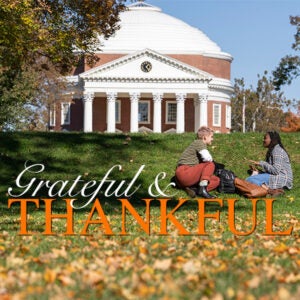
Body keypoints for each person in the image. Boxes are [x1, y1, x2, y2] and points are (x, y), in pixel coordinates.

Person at [175, 126, 220, 198]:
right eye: (211, 137)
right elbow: (208, 158)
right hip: (184, 172)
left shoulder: (197, 144)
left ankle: (195, 190)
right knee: (210, 164)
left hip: (186, 176)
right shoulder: (199, 143)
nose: (212, 139)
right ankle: (202, 190)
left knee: (216, 180)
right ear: (205, 137)